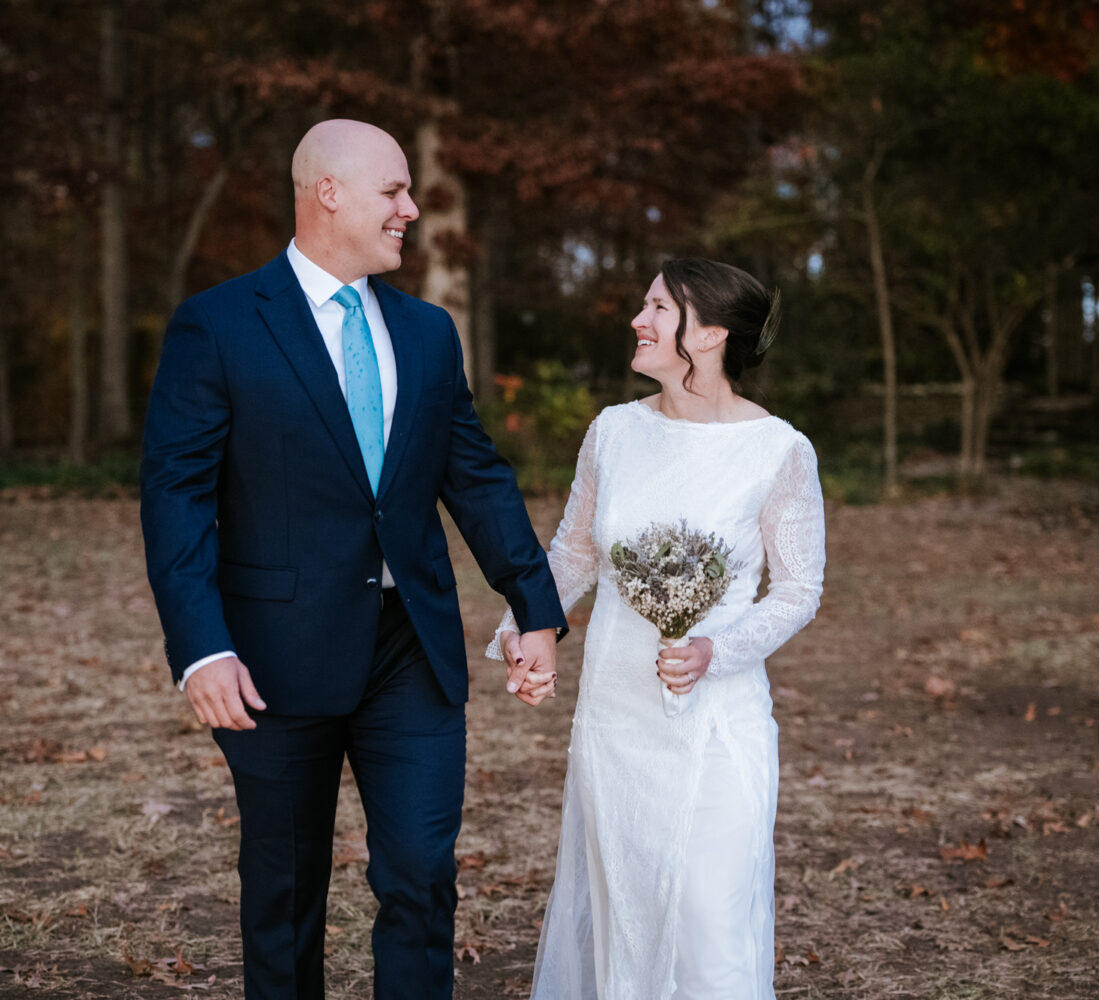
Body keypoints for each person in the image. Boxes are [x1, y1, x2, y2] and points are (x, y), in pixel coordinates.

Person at [140, 119, 565, 1000]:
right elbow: (175, 496)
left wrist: (536, 606)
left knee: (419, 876)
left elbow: (475, 475)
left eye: (409, 192)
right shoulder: (217, 325)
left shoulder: (427, 332)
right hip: (272, 660)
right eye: (394, 191)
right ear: (327, 192)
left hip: (411, 650)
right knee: (285, 896)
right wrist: (200, 647)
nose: (411, 209)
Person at [490, 259, 826, 999]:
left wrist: (717, 649)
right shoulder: (613, 432)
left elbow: (799, 589)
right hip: (616, 716)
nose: (637, 321)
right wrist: (526, 628)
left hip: (716, 717)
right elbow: (574, 553)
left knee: (708, 921)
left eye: (656, 309)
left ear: (708, 334)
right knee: (630, 916)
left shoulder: (778, 450)